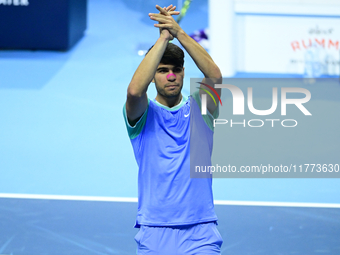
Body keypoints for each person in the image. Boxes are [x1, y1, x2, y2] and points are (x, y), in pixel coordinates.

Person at [123, 4, 223, 254]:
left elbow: (215, 77)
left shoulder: (203, 109)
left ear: (183, 73)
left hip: (201, 232)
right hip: (154, 230)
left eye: (176, 70)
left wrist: (178, 32)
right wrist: (163, 39)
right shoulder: (142, 115)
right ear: (153, 75)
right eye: (162, 70)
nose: (171, 76)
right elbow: (135, 90)